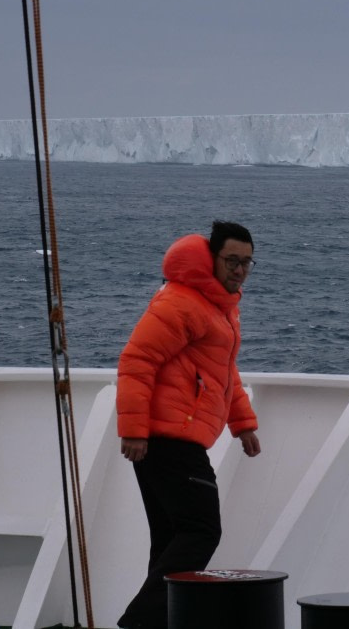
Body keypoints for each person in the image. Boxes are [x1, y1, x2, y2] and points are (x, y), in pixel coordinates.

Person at [116, 221, 262, 629]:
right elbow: (136, 361)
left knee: (169, 541)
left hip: (176, 438)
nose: (239, 270)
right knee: (201, 531)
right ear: (210, 258)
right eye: (232, 261)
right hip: (167, 440)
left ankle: (159, 623)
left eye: (247, 262)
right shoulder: (182, 302)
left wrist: (243, 423)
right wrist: (133, 430)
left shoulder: (219, 307)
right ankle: (138, 623)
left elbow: (222, 374)